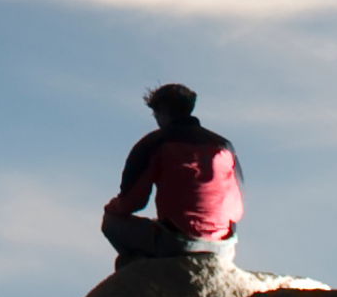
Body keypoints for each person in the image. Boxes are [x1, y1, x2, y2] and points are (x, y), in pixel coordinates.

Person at [102, 82, 244, 262]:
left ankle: (144, 265)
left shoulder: (154, 143)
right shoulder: (224, 146)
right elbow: (237, 206)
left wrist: (112, 207)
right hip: (225, 245)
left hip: (180, 242)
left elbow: (133, 202)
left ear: (160, 110)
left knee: (111, 223)